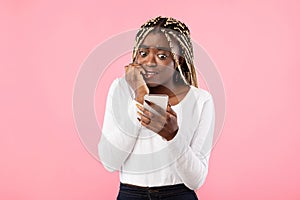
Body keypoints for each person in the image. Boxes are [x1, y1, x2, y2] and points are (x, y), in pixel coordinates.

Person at [98, 16, 215, 200]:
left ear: (180, 60)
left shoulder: (201, 101)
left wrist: (173, 136)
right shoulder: (121, 89)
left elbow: (196, 180)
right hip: (131, 194)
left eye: (162, 56)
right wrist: (139, 98)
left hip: (178, 195)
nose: (150, 62)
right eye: (143, 53)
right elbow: (110, 161)